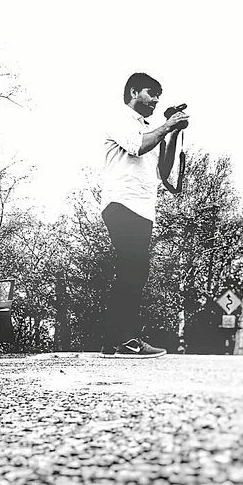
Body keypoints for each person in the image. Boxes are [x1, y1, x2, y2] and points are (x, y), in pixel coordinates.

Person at [98, 71, 189, 359]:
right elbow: (138, 146)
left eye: (158, 95)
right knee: (133, 269)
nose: (156, 100)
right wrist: (167, 125)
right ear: (134, 92)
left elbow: (163, 171)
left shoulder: (149, 128)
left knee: (132, 270)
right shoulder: (119, 119)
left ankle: (114, 340)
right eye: (152, 93)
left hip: (141, 206)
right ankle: (125, 340)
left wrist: (172, 133)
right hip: (123, 202)